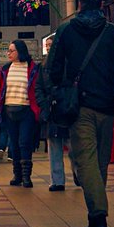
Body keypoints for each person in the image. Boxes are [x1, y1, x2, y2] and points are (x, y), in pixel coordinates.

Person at [46, 0, 114, 227]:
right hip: (107, 106)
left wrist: (61, 88)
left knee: (88, 162)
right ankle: (97, 213)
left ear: (80, 4)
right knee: (99, 162)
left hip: (79, 106)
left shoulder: (67, 30)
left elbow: (53, 68)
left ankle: (98, 214)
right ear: (101, 4)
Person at [0, 40, 42, 187]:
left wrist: (37, 110)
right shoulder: (5, 70)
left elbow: (37, 89)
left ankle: (26, 176)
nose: (8, 53)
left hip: (26, 111)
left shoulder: (32, 68)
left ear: (20, 51)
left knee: (24, 142)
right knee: (14, 144)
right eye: (8, 50)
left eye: (12, 50)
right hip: (9, 111)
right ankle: (17, 175)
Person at [42, 34, 73, 192]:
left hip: (64, 107)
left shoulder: (65, 61)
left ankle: (75, 175)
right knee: (56, 145)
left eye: (50, 45)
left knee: (70, 144)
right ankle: (58, 180)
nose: (48, 48)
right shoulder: (45, 63)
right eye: (47, 45)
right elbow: (40, 86)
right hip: (54, 108)